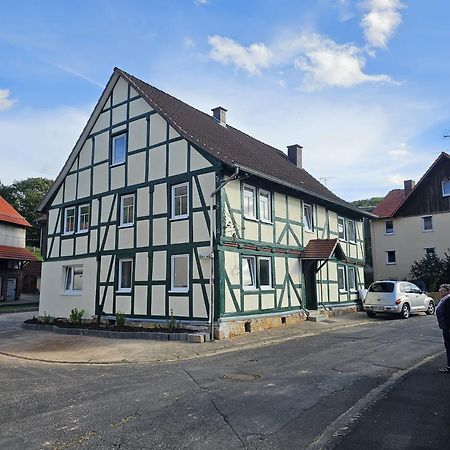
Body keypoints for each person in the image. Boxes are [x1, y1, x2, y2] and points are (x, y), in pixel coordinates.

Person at [436, 284, 450, 373]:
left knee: (449, 346)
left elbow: (448, 315)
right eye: (440, 290)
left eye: (443, 290)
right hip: (445, 326)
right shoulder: (445, 299)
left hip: (448, 328)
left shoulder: (448, 300)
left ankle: (449, 366)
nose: (441, 292)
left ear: (448, 291)